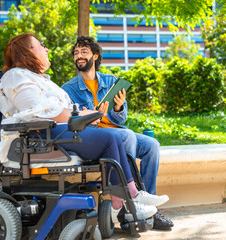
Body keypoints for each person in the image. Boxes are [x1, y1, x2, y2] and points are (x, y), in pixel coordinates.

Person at [0, 33, 169, 224]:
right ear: (27, 52)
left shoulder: (37, 78)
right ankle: (125, 202)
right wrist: (81, 115)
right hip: (43, 135)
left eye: (84, 51)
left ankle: (127, 200)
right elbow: (40, 110)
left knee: (125, 138)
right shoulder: (16, 76)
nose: (46, 49)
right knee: (113, 137)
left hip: (59, 130)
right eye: (41, 45)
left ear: (95, 56)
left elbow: (60, 109)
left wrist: (93, 112)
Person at [62, 36, 174, 230]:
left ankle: (148, 208)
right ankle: (128, 206)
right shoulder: (68, 89)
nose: (79, 56)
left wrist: (118, 108)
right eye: (76, 53)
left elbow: (122, 120)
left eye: (84, 52)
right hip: (98, 136)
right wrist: (94, 116)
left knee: (151, 145)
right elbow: (74, 124)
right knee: (128, 136)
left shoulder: (111, 81)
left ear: (95, 56)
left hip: (117, 130)